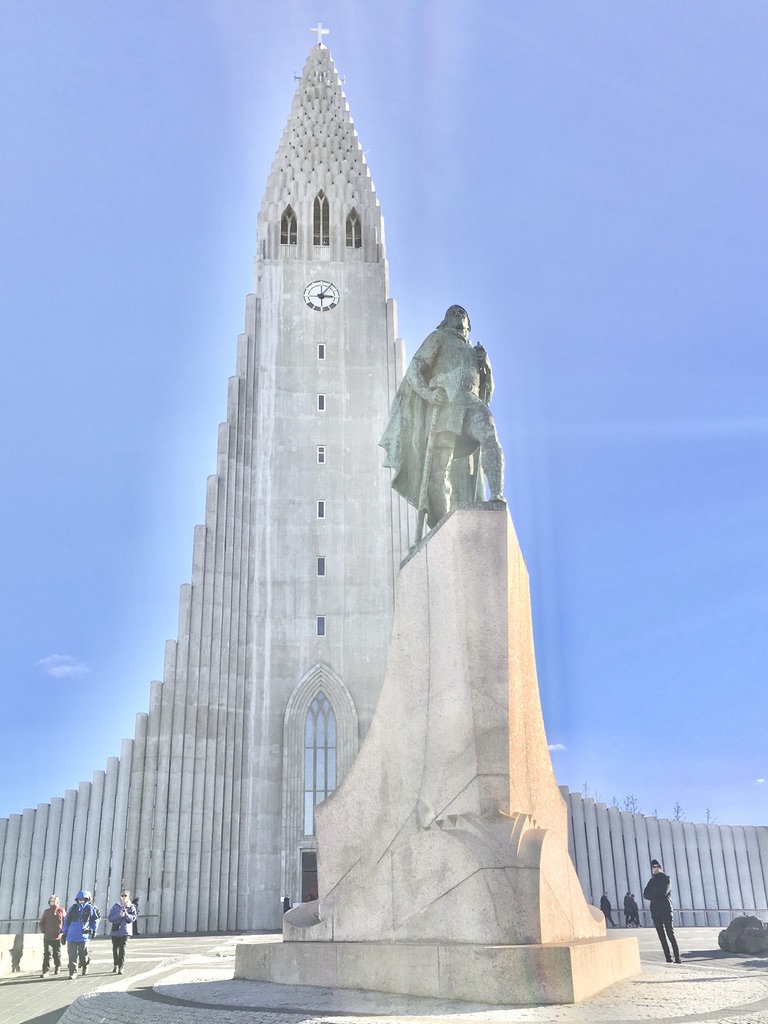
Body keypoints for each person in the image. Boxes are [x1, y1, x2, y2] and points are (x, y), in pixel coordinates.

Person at [380, 305, 504, 537]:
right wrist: (428, 393)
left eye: (462, 313)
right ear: (445, 321)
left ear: (469, 324)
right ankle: (443, 524)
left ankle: (496, 495)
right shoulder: (439, 337)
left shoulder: (475, 351)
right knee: (440, 467)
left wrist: (486, 366)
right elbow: (414, 370)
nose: (458, 315)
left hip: (471, 401)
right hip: (447, 406)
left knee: (490, 435)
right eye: (452, 313)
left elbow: (487, 392)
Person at [643, 859, 681, 963]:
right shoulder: (651, 881)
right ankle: (668, 958)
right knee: (661, 936)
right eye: (653, 867)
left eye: (657, 866)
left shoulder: (666, 878)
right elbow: (645, 894)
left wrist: (653, 894)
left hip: (666, 910)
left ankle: (677, 958)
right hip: (655, 911)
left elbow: (663, 892)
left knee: (670, 934)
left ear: (660, 867)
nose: (655, 868)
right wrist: (655, 894)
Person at [61, 889, 99, 978]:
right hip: (71, 936)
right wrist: (64, 933)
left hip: (83, 936)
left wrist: (93, 930)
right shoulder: (73, 908)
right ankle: (73, 972)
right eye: (79, 899)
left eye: (83, 899)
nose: (81, 900)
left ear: (86, 899)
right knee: (72, 955)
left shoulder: (90, 908)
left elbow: (95, 920)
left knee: (83, 954)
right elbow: (66, 921)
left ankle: (85, 964)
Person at [108, 889, 138, 974]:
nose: (124, 897)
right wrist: (119, 916)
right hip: (115, 931)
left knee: (122, 949)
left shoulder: (131, 906)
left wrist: (125, 915)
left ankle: (121, 966)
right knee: (115, 949)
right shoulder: (115, 906)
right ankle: (115, 964)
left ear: (128, 897)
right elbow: (110, 918)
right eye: (122, 895)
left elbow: (133, 918)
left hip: (125, 931)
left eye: (125, 895)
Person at [38, 894, 65, 977]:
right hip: (48, 936)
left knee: (57, 953)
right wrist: (44, 931)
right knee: (47, 954)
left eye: (55, 901)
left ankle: (57, 966)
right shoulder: (46, 911)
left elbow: (65, 922)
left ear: (58, 902)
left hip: (57, 936)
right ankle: (45, 971)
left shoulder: (61, 910)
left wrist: (62, 932)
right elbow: (41, 923)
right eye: (52, 901)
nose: (53, 903)